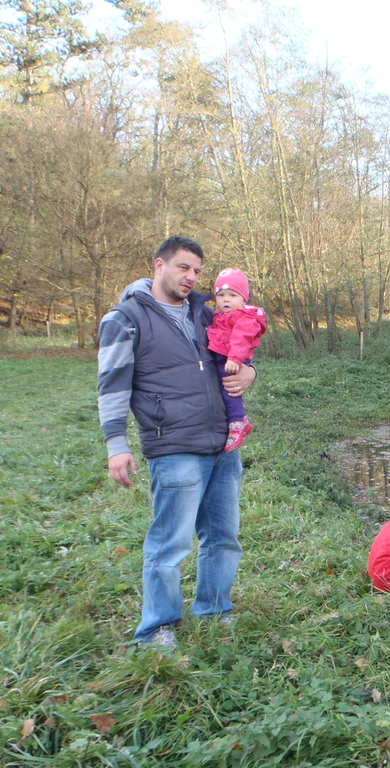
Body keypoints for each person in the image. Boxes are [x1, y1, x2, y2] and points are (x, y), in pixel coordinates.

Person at [97, 236, 256, 648]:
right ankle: (156, 629)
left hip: (222, 443)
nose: (191, 277)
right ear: (159, 265)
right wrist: (117, 442)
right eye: (184, 268)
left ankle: (215, 609)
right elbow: (112, 384)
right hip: (174, 446)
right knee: (170, 544)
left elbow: (239, 352)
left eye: (198, 271)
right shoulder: (126, 318)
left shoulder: (205, 315)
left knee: (224, 537)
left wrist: (251, 374)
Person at [206, 268, 267, 452]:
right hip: (221, 359)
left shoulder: (245, 318)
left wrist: (235, 358)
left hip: (232, 361)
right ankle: (241, 420)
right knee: (221, 388)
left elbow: (241, 338)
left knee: (230, 390)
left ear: (243, 299)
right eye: (221, 295)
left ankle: (237, 422)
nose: (225, 299)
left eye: (232, 295)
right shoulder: (219, 317)